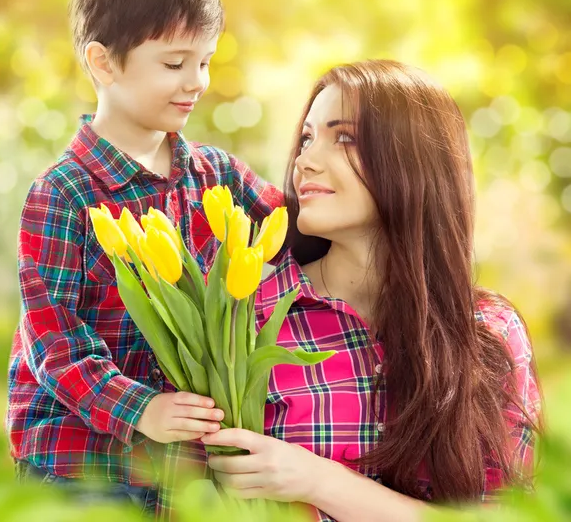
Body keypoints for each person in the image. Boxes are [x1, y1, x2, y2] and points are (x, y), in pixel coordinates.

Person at [6, 0, 282, 516]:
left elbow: (296, 230)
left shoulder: (216, 177)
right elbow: (55, 342)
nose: (198, 81)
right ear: (104, 62)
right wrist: (141, 410)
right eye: (175, 64)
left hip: (187, 465)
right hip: (83, 461)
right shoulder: (62, 195)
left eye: (205, 61)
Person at [199, 60, 543, 522]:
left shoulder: (488, 333)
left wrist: (320, 482)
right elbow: (184, 497)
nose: (305, 160)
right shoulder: (247, 316)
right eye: (306, 138)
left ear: (413, 159)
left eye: (344, 137)